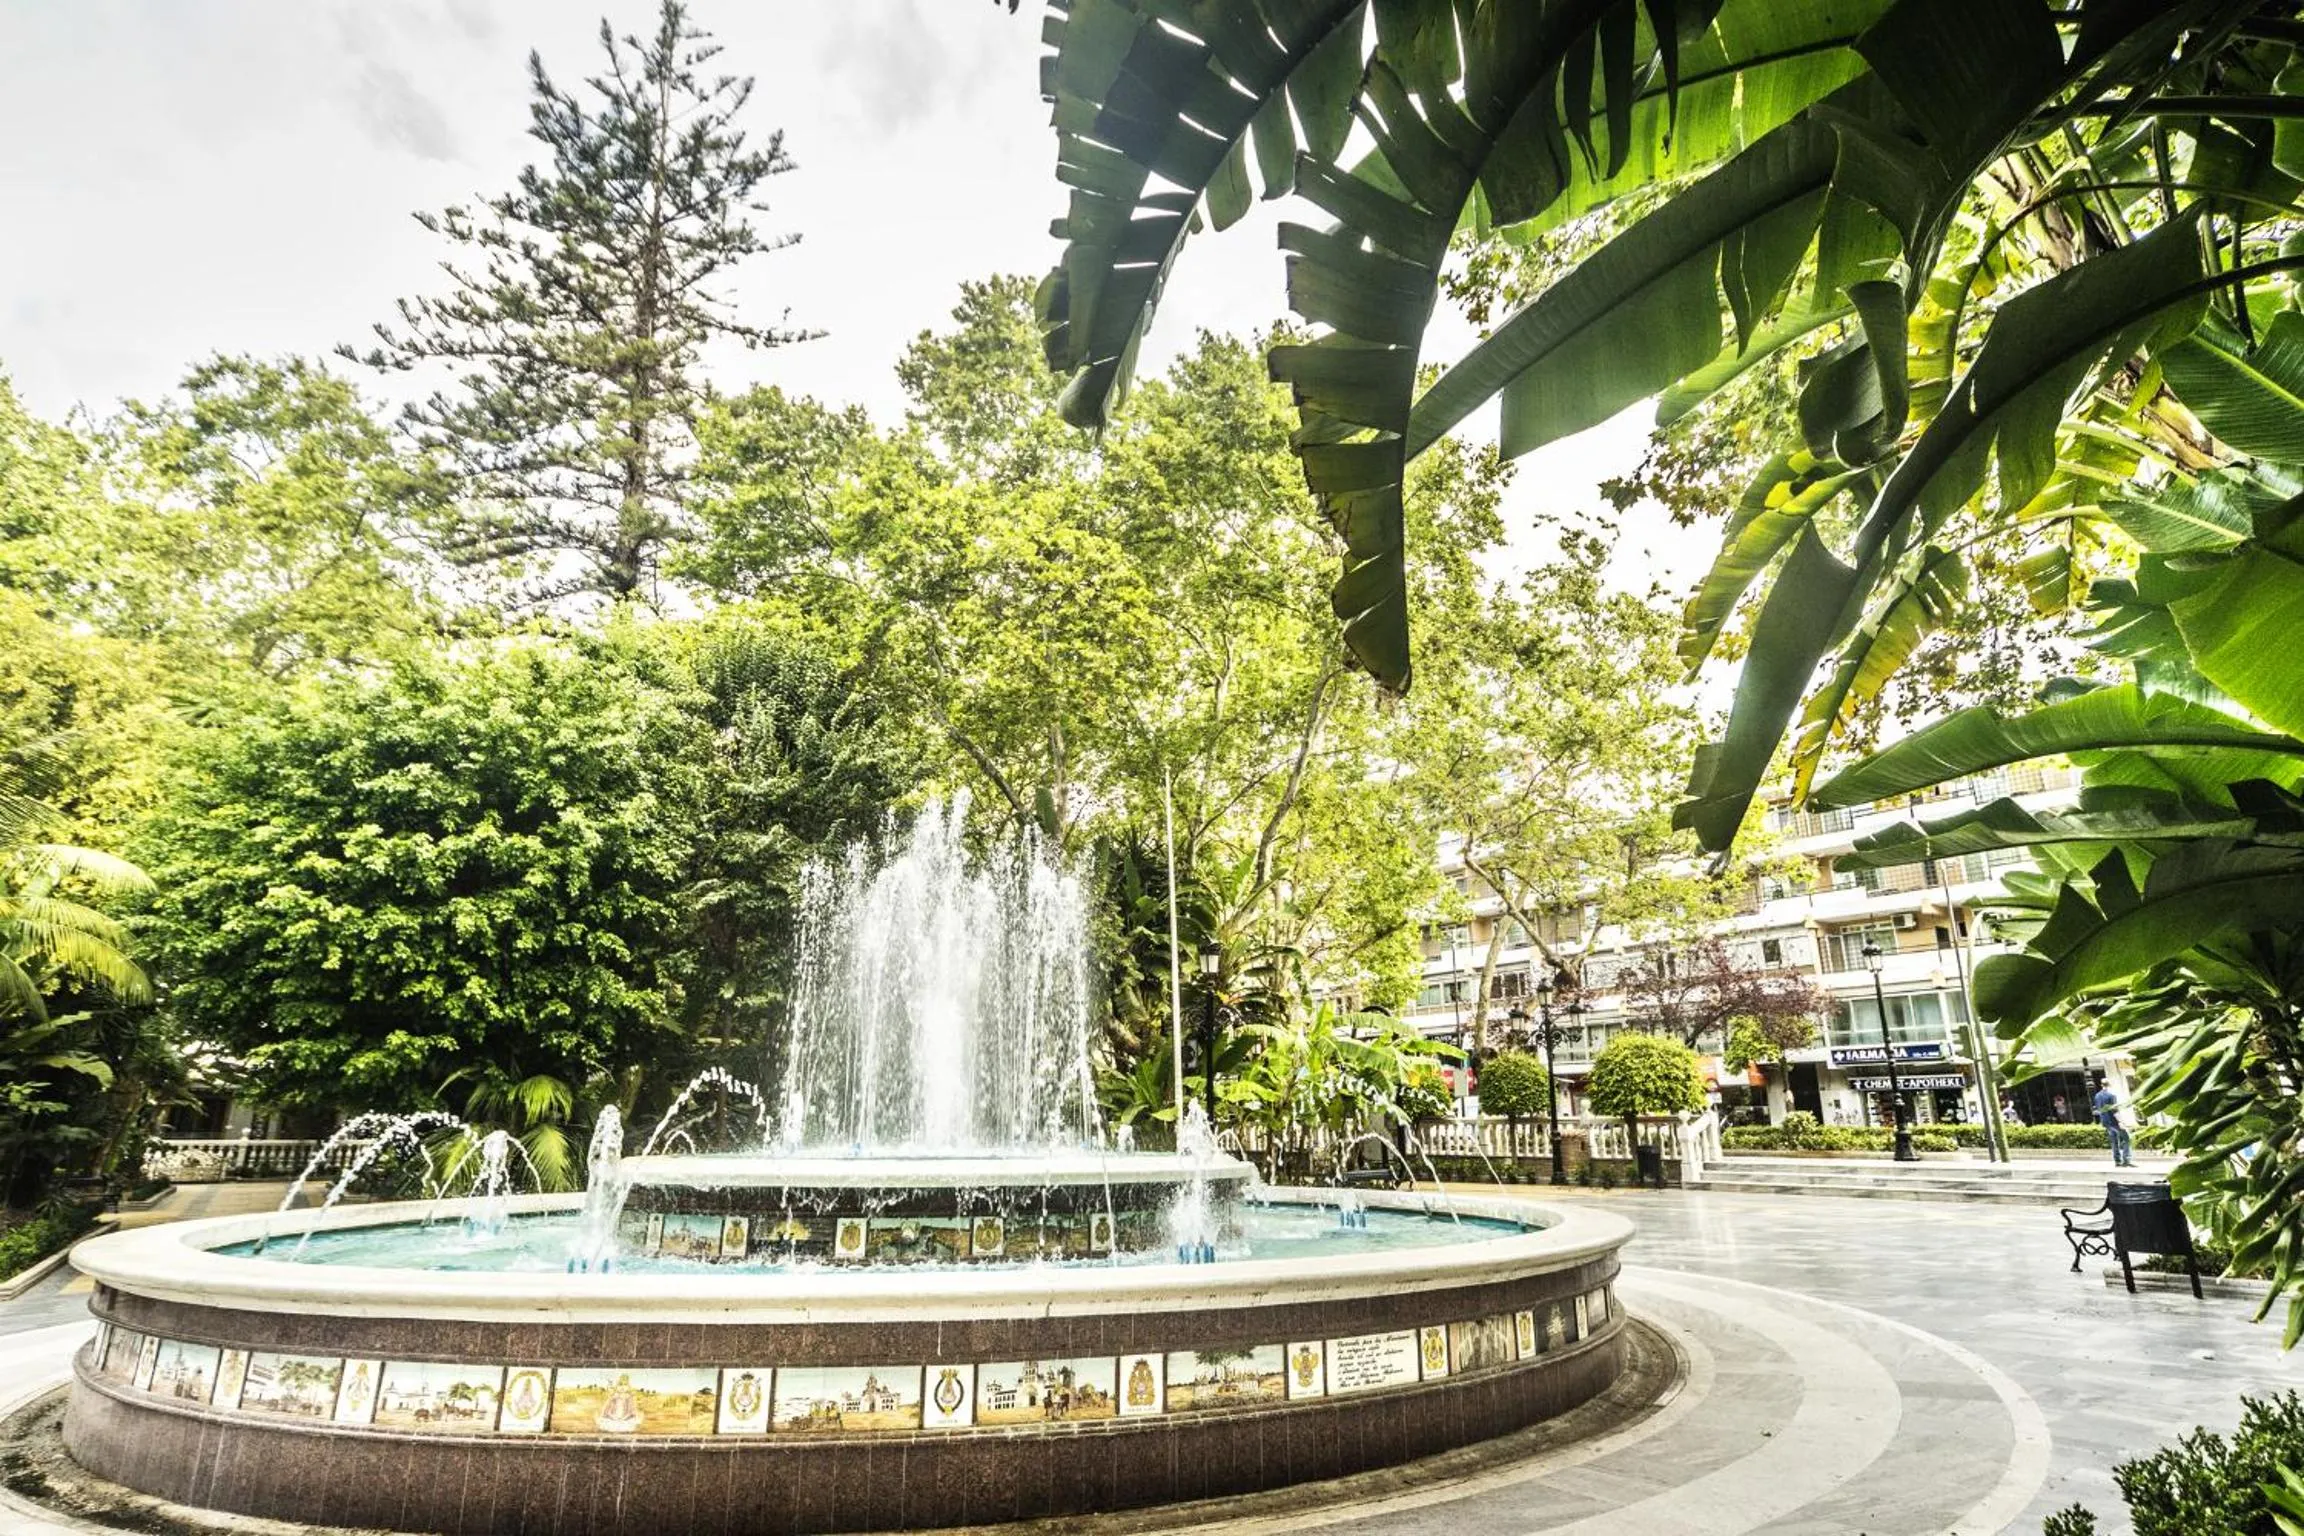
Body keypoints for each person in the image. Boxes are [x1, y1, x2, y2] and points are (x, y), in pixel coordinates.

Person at [2091, 1071, 2134, 1168]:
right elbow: (2115, 1110)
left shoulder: (2097, 1096)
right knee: (2127, 1139)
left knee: (2114, 1141)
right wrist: (2121, 1122)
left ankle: (2117, 1161)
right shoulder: (2111, 1095)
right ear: (2110, 1084)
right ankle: (2126, 1160)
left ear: (2101, 1085)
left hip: (2106, 1122)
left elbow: (2098, 1109)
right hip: (2114, 1121)